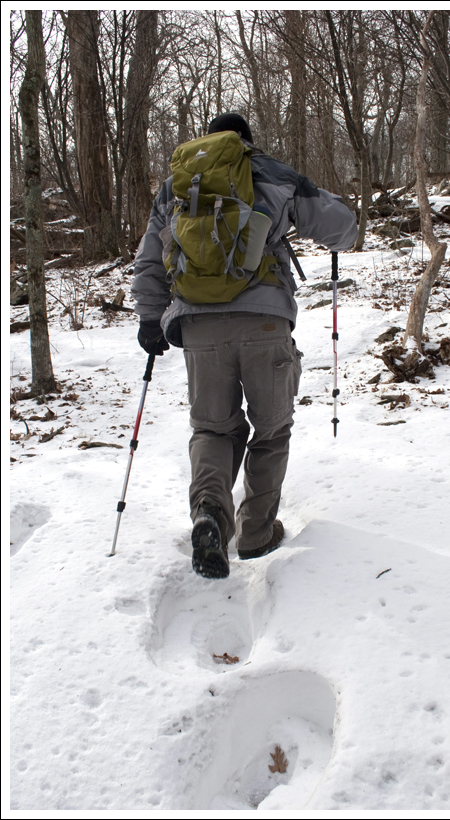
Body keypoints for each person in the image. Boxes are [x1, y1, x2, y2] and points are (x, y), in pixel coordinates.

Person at [131, 113, 357, 579]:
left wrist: (151, 318)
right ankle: (256, 534)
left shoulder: (177, 185)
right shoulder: (271, 171)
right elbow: (342, 227)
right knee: (270, 432)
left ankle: (211, 513)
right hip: (265, 324)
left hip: (198, 327)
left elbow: (149, 259)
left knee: (213, 430)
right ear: (246, 141)